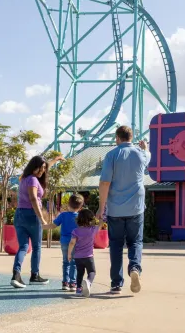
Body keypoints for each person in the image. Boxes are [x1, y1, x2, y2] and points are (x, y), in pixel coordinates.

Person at [97, 126, 150, 294]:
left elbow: (105, 182)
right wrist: (146, 148)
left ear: (117, 138)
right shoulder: (141, 154)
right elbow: (148, 156)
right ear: (131, 137)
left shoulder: (111, 155)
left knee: (116, 245)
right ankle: (135, 268)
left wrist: (101, 207)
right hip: (136, 206)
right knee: (135, 242)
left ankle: (116, 283)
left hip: (115, 209)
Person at [11, 154, 64, 288]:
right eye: (40, 169)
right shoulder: (33, 180)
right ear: (34, 167)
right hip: (32, 215)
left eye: (43, 169)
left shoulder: (23, 178)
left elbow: (45, 167)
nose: (42, 172)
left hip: (19, 215)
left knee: (23, 246)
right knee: (36, 247)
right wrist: (41, 219)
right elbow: (33, 199)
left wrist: (54, 160)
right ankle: (34, 275)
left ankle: (16, 275)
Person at [43, 193, 84, 291]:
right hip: (76, 243)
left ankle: (65, 282)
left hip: (64, 242)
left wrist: (43, 226)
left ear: (68, 204)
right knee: (73, 262)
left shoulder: (63, 215)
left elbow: (53, 225)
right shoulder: (80, 217)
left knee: (66, 261)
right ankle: (72, 283)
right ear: (80, 206)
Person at [68, 209, 105, 297]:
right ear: (91, 220)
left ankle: (78, 289)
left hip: (78, 257)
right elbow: (100, 225)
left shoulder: (75, 231)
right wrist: (100, 218)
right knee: (92, 271)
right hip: (88, 257)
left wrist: (69, 254)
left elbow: (72, 243)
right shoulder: (92, 230)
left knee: (80, 273)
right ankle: (88, 282)